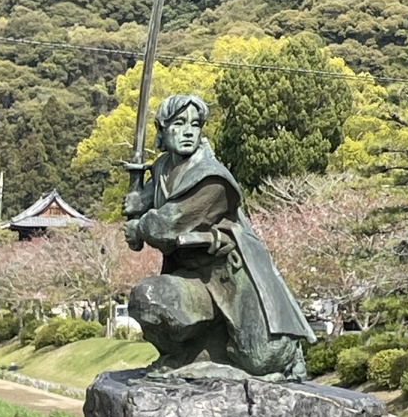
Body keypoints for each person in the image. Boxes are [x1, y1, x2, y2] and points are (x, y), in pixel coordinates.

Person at [123, 93, 313, 380]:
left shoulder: (212, 178)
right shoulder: (162, 168)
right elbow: (146, 203)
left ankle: (287, 355)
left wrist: (139, 226)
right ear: (161, 130)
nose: (189, 131)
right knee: (147, 298)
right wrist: (137, 201)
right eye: (179, 123)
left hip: (232, 279)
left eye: (195, 124)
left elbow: (166, 225)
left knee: (263, 359)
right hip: (190, 278)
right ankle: (183, 354)